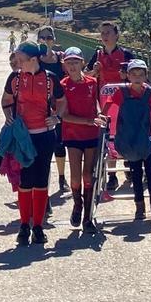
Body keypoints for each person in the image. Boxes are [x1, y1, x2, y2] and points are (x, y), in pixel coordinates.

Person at [1, 41, 66, 246]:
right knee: (25, 181)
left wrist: (57, 118)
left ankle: (37, 226)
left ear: (33, 59)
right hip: (24, 139)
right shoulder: (14, 79)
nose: (17, 63)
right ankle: (23, 225)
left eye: (21, 60)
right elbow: (6, 101)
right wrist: (8, 116)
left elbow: (62, 102)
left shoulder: (50, 79)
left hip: (45, 136)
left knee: (40, 180)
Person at [105, 59, 151, 222]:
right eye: (134, 74)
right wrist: (101, 118)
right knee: (136, 173)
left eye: (141, 74)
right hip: (127, 140)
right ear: (128, 76)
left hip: (145, 139)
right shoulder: (122, 93)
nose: (137, 77)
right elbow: (107, 107)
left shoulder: (149, 93)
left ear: (146, 76)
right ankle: (140, 205)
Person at [59, 47, 104, 233]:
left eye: (76, 62)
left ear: (82, 63)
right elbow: (64, 115)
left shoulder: (93, 82)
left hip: (91, 134)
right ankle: (77, 204)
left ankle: (87, 216)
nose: (72, 66)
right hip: (73, 134)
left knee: (89, 175)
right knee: (76, 177)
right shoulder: (62, 85)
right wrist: (87, 121)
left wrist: (101, 115)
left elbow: (98, 104)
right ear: (64, 65)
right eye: (69, 62)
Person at [86, 21, 134, 192]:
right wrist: (94, 71)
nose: (105, 36)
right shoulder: (97, 55)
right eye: (102, 33)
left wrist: (126, 75)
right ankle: (112, 176)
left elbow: (139, 77)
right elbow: (86, 75)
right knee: (109, 136)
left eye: (108, 32)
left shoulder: (126, 55)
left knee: (126, 134)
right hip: (105, 103)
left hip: (126, 102)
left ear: (116, 35)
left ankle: (130, 165)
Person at [35, 26, 68, 193]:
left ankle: (62, 178)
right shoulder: (35, 60)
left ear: (54, 39)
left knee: (60, 144)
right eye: (42, 37)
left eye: (49, 37)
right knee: (44, 147)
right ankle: (43, 184)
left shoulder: (61, 59)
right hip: (40, 108)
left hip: (59, 107)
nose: (46, 40)